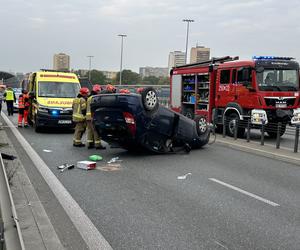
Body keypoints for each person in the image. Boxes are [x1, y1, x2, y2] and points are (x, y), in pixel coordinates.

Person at [86, 84, 106, 149]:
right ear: (97, 91)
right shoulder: (95, 98)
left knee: (90, 130)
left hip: (88, 117)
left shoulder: (89, 97)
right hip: (93, 116)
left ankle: (90, 144)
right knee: (96, 130)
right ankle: (98, 145)